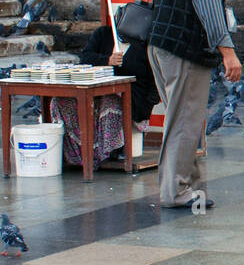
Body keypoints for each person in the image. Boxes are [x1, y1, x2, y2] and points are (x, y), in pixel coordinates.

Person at [146, 0, 241, 210]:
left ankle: (191, 185)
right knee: (184, 121)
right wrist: (228, 52)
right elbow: (209, 8)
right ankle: (175, 191)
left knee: (181, 118)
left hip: (158, 46)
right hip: (184, 50)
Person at [49, 26, 161, 169]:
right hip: (95, 91)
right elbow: (85, 58)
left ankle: (107, 152)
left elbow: (155, 80)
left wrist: (147, 106)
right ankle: (74, 152)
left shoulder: (145, 44)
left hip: (132, 97)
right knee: (60, 101)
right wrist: (107, 60)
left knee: (111, 102)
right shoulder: (103, 34)